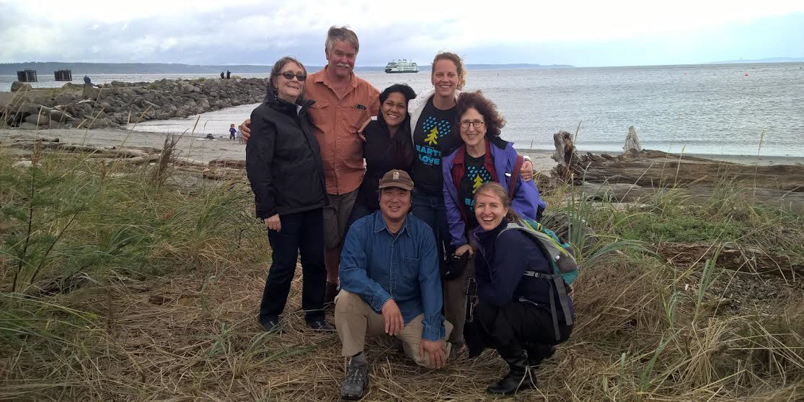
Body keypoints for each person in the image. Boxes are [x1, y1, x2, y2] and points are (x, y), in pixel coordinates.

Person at [239, 26, 380, 304]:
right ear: (327, 53)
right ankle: (330, 285)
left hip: (353, 180)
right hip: (316, 184)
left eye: (350, 55)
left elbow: (393, 117)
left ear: (356, 57)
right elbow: (277, 109)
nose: (344, 59)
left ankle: (348, 291)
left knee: (351, 241)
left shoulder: (368, 92)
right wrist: (249, 124)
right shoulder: (308, 84)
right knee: (326, 243)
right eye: (338, 53)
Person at [336, 169, 452, 400]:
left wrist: (431, 331)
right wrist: (383, 299)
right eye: (388, 192)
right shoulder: (360, 229)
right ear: (379, 197)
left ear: (411, 200)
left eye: (402, 193)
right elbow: (349, 273)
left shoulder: (424, 233)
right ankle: (357, 364)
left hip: (409, 310)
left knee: (433, 360)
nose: (395, 199)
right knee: (345, 299)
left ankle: (407, 338)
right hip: (373, 308)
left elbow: (430, 283)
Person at [245, 56, 331, 333]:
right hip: (283, 209)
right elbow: (258, 166)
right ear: (275, 81)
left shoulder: (301, 112)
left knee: (316, 262)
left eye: (300, 76)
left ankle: (314, 314)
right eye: (288, 75)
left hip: (313, 202)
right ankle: (269, 314)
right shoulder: (263, 116)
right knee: (283, 265)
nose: (295, 80)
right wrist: (268, 210)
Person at [466, 182, 573, 395]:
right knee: (492, 310)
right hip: (554, 314)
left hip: (553, 320)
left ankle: (521, 374)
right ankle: (538, 349)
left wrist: (480, 292)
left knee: (486, 313)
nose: (486, 212)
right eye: (480, 206)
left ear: (505, 210)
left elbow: (498, 296)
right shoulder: (494, 236)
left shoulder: (509, 239)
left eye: (493, 206)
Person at [348, 84, 416, 224]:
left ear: (408, 109)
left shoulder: (413, 133)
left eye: (400, 106)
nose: (394, 110)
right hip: (368, 198)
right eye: (389, 104)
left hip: (400, 202)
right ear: (381, 105)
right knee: (353, 238)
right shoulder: (369, 129)